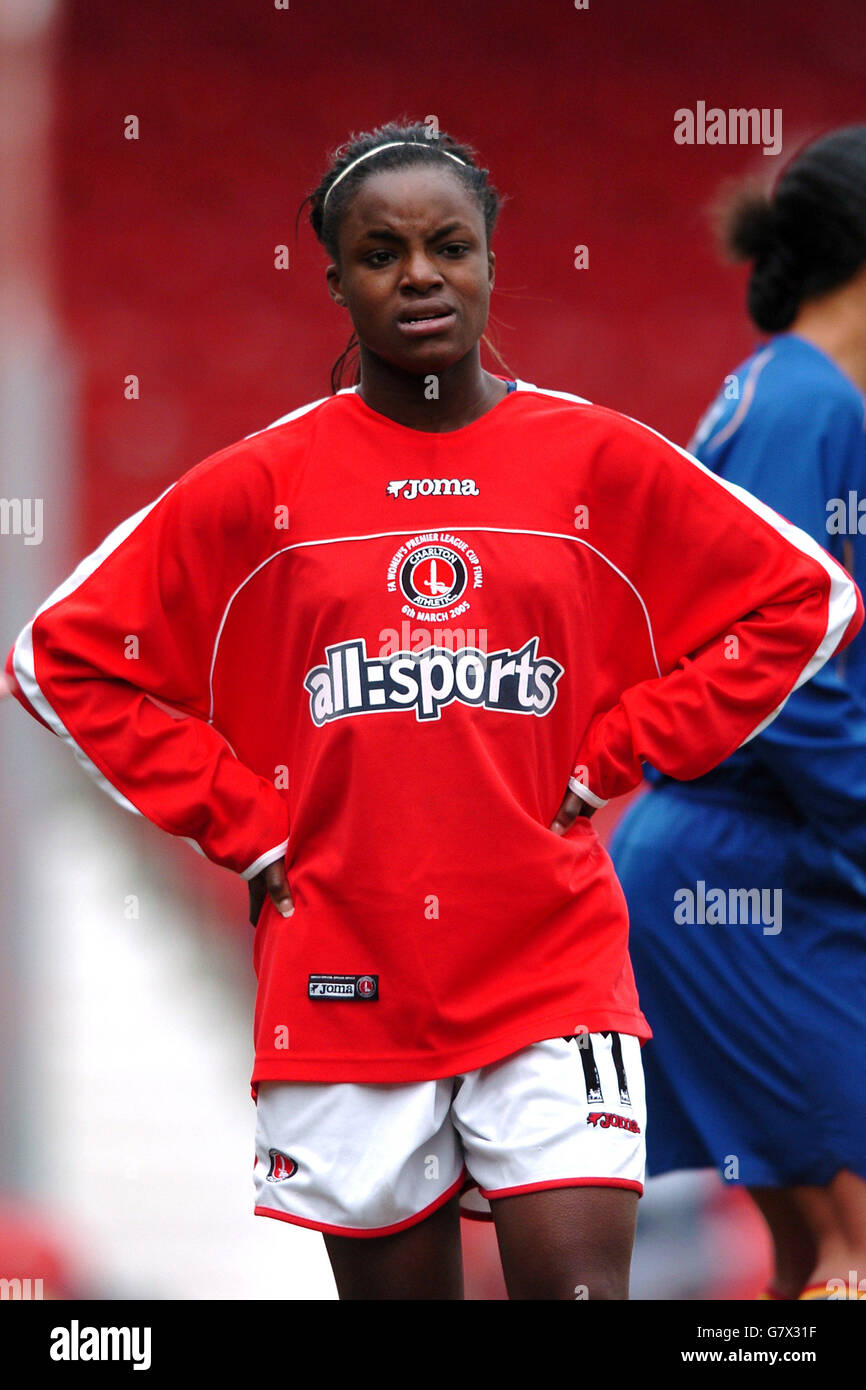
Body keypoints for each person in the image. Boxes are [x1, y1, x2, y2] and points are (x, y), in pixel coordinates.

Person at [4, 119, 862, 1301]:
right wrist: (244, 824)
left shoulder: (589, 456)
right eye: (381, 252)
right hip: (345, 977)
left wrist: (617, 748)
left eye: (447, 246)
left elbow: (802, 599)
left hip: (549, 965)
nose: (418, 274)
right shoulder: (263, 481)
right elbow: (60, 655)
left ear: (490, 262)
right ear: (336, 279)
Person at [609, 125, 866, 1302]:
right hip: (744, 864)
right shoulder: (802, 407)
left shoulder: (789, 395)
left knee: (819, 1257)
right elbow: (776, 669)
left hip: (746, 858)